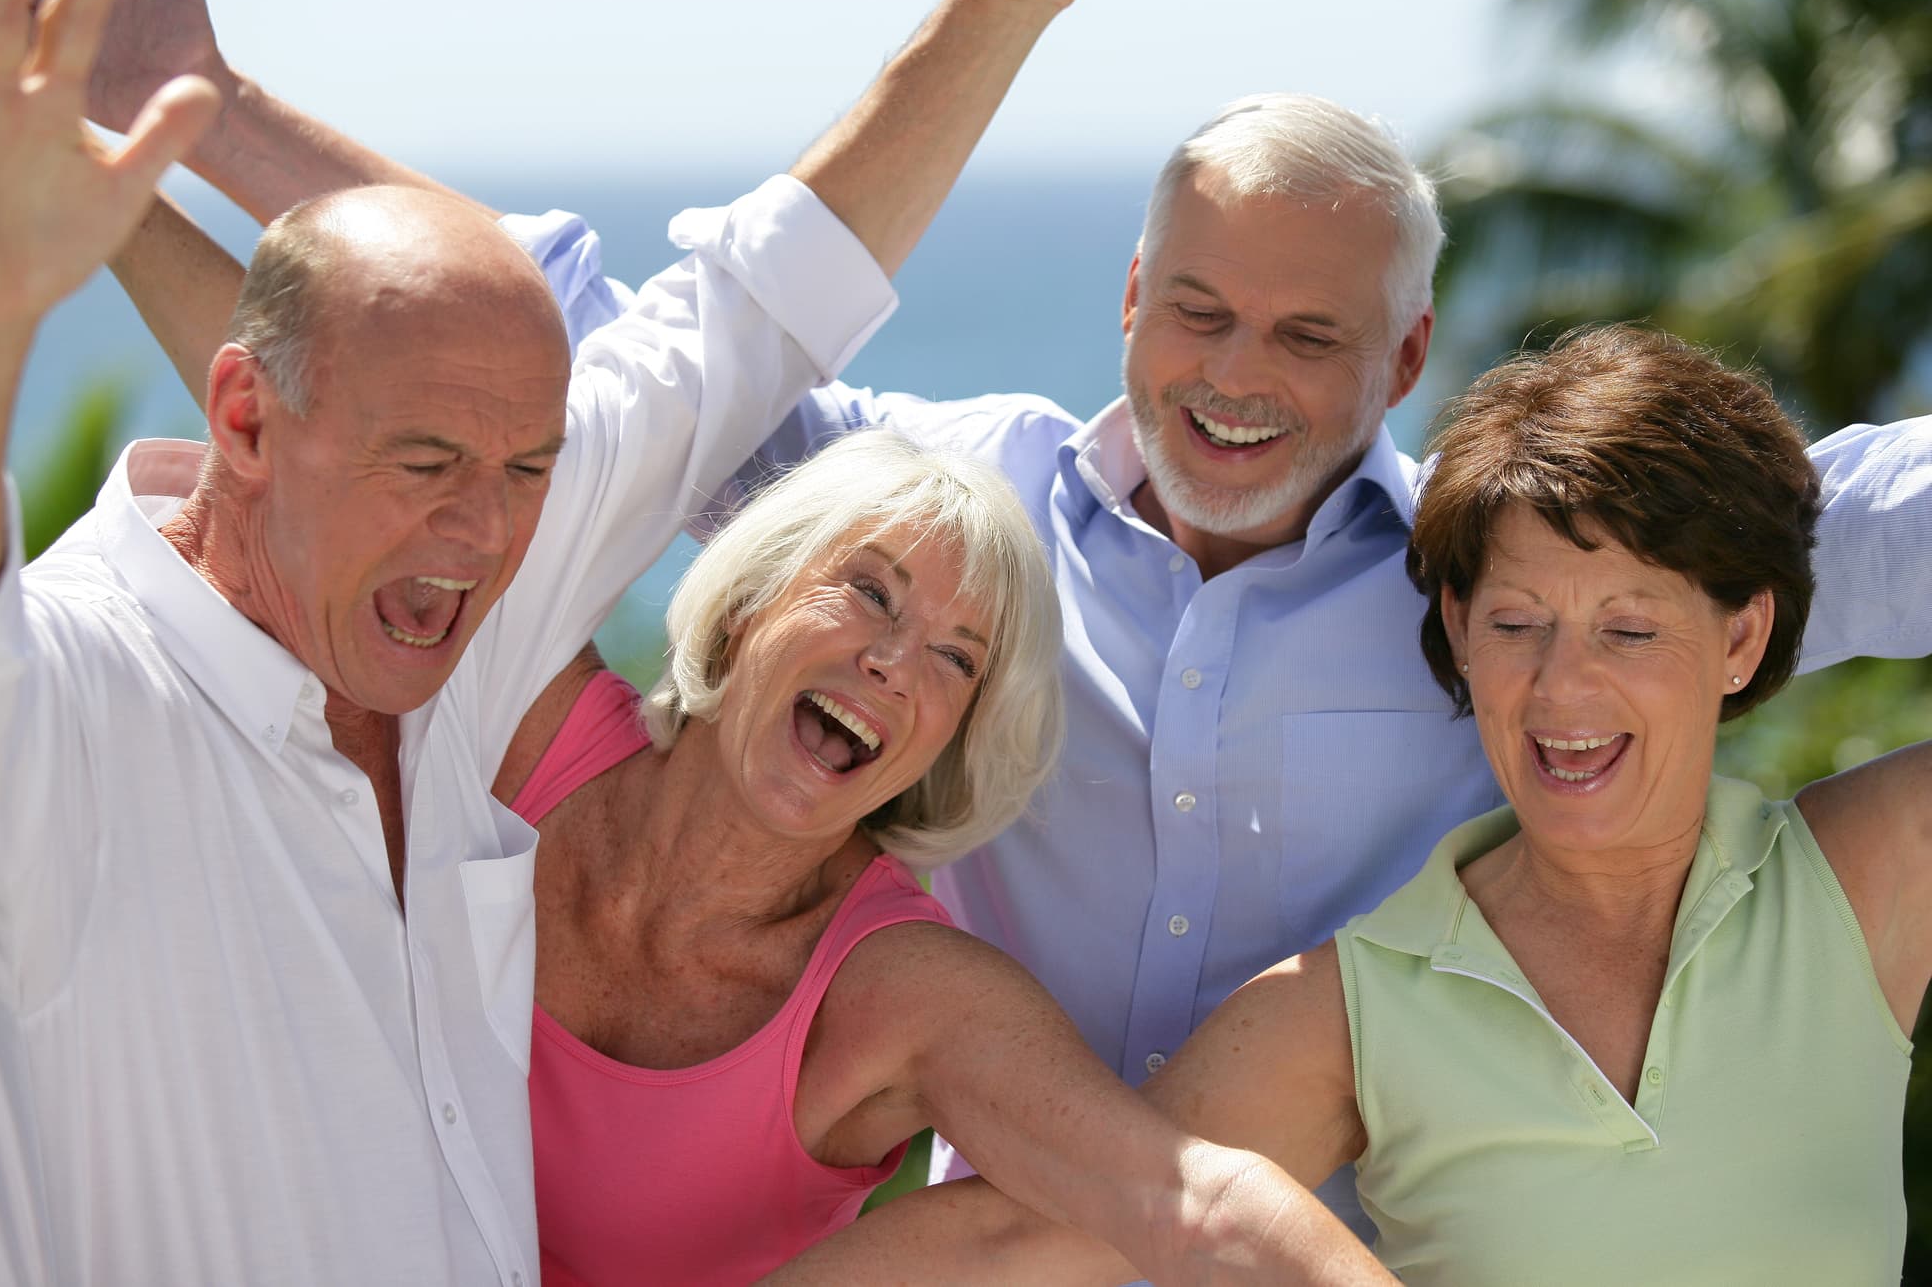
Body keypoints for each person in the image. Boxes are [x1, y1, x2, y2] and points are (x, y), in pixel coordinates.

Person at [528, 91, 1932, 1215]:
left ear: (1403, 359)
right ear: (1133, 292)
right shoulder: (954, 507)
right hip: (1009, 1255)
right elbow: (592, 370)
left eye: (1308, 334)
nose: (1235, 374)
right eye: (1198, 310)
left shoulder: (1506, 590)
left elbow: (1862, 531)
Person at [0, 0, 1088, 1280]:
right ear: (244, 420)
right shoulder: (76, 690)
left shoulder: (459, 645)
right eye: (427, 465)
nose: (487, 530)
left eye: (528, 468)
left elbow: (742, 323)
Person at [765, 324, 1924, 1284]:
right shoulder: (1350, 1004)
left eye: (1627, 629)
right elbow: (1021, 1238)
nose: (1561, 688)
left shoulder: (1858, 880)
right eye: (1516, 625)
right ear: (1460, 631)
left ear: (1740, 637)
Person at [490, 428, 1390, 1285]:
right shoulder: (523, 728)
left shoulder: (904, 996)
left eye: (956, 660)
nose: (892, 662)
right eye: (873, 593)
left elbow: (1185, 1194)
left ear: (949, 743)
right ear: (747, 598)